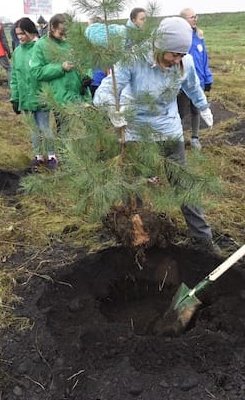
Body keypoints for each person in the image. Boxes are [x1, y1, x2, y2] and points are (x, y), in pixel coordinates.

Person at [93, 17, 220, 255]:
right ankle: (137, 240)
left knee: (183, 185)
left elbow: (192, 86)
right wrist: (113, 109)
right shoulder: (133, 59)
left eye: (182, 55)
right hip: (137, 132)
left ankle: (202, 239)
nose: (177, 60)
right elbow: (104, 92)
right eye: (173, 54)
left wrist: (203, 107)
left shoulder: (186, 62)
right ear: (160, 46)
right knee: (134, 189)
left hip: (169, 130)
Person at [30, 13, 91, 163]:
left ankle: (83, 160)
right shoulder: (41, 45)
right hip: (59, 95)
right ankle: (68, 161)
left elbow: (85, 61)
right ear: (51, 28)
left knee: (83, 128)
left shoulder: (74, 42)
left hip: (79, 92)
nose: (64, 37)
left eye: (67, 33)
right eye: (61, 33)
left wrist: (87, 76)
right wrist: (60, 67)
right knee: (65, 129)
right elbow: (36, 71)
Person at [9, 17, 59, 170]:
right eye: (17, 34)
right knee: (33, 128)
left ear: (30, 31)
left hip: (41, 96)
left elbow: (50, 72)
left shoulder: (41, 48)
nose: (20, 37)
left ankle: (52, 156)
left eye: (22, 33)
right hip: (25, 98)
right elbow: (15, 77)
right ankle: (38, 156)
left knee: (44, 127)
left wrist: (49, 94)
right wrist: (15, 98)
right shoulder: (17, 52)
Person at [177, 7, 214, 150]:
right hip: (184, 82)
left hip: (199, 81)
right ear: (183, 20)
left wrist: (208, 78)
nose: (195, 19)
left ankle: (195, 137)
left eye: (195, 16)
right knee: (180, 112)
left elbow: (204, 59)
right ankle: (177, 138)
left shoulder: (199, 37)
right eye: (192, 17)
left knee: (196, 110)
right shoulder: (180, 38)